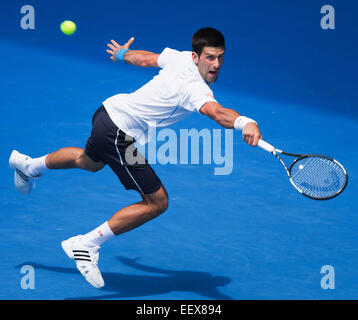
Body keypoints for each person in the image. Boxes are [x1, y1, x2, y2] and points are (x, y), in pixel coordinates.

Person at [9, 27, 262, 288]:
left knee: (89, 161)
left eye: (220, 57)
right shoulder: (196, 90)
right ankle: (86, 244)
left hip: (107, 113)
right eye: (210, 57)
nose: (216, 64)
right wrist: (246, 122)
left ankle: (27, 166)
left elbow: (145, 59)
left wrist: (121, 54)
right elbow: (217, 113)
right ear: (196, 57)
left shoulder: (180, 57)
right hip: (118, 133)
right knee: (157, 201)